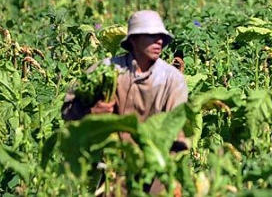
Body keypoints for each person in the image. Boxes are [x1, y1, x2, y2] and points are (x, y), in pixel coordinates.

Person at [61, 10, 189, 194]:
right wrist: (91, 112)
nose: (159, 41)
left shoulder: (172, 79)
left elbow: (175, 129)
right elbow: (68, 110)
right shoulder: (106, 70)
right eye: (151, 36)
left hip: (154, 171)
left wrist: (175, 177)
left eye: (161, 36)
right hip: (110, 167)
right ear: (134, 40)